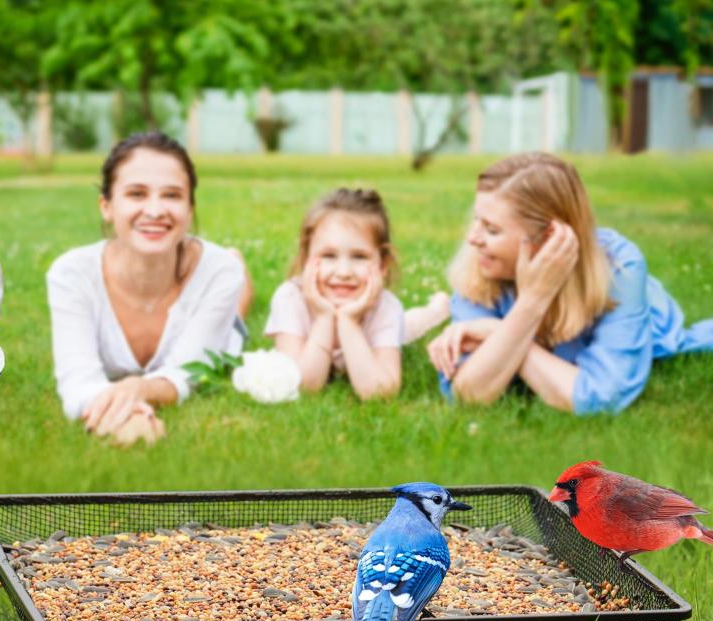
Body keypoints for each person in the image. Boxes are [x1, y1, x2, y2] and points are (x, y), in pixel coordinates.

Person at [427, 152, 713, 414]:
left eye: (491, 229)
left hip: (652, 320)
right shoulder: (482, 266)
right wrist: (528, 309)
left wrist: (498, 331)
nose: (473, 238)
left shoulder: (620, 267)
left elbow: (601, 397)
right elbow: (467, 395)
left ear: (548, 238)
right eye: (477, 221)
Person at [47, 132, 249, 445]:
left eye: (171, 195)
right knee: (229, 275)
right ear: (107, 206)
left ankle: (237, 262)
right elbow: (77, 384)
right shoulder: (70, 275)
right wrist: (132, 413)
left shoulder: (220, 273)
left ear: (190, 209)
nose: (155, 210)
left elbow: (186, 373)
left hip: (219, 312)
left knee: (236, 308)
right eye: (137, 194)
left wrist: (140, 388)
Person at [264, 188, 450, 400]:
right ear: (307, 259)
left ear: (383, 265)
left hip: (375, 330)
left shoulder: (384, 307)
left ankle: (437, 309)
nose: (344, 272)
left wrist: (349, 322)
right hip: (317, 316)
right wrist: (324, 317)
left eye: (359, 257)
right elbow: (303, 385)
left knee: (410, 326)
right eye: (329, 255)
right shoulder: (290, 299)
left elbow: (379, 392)